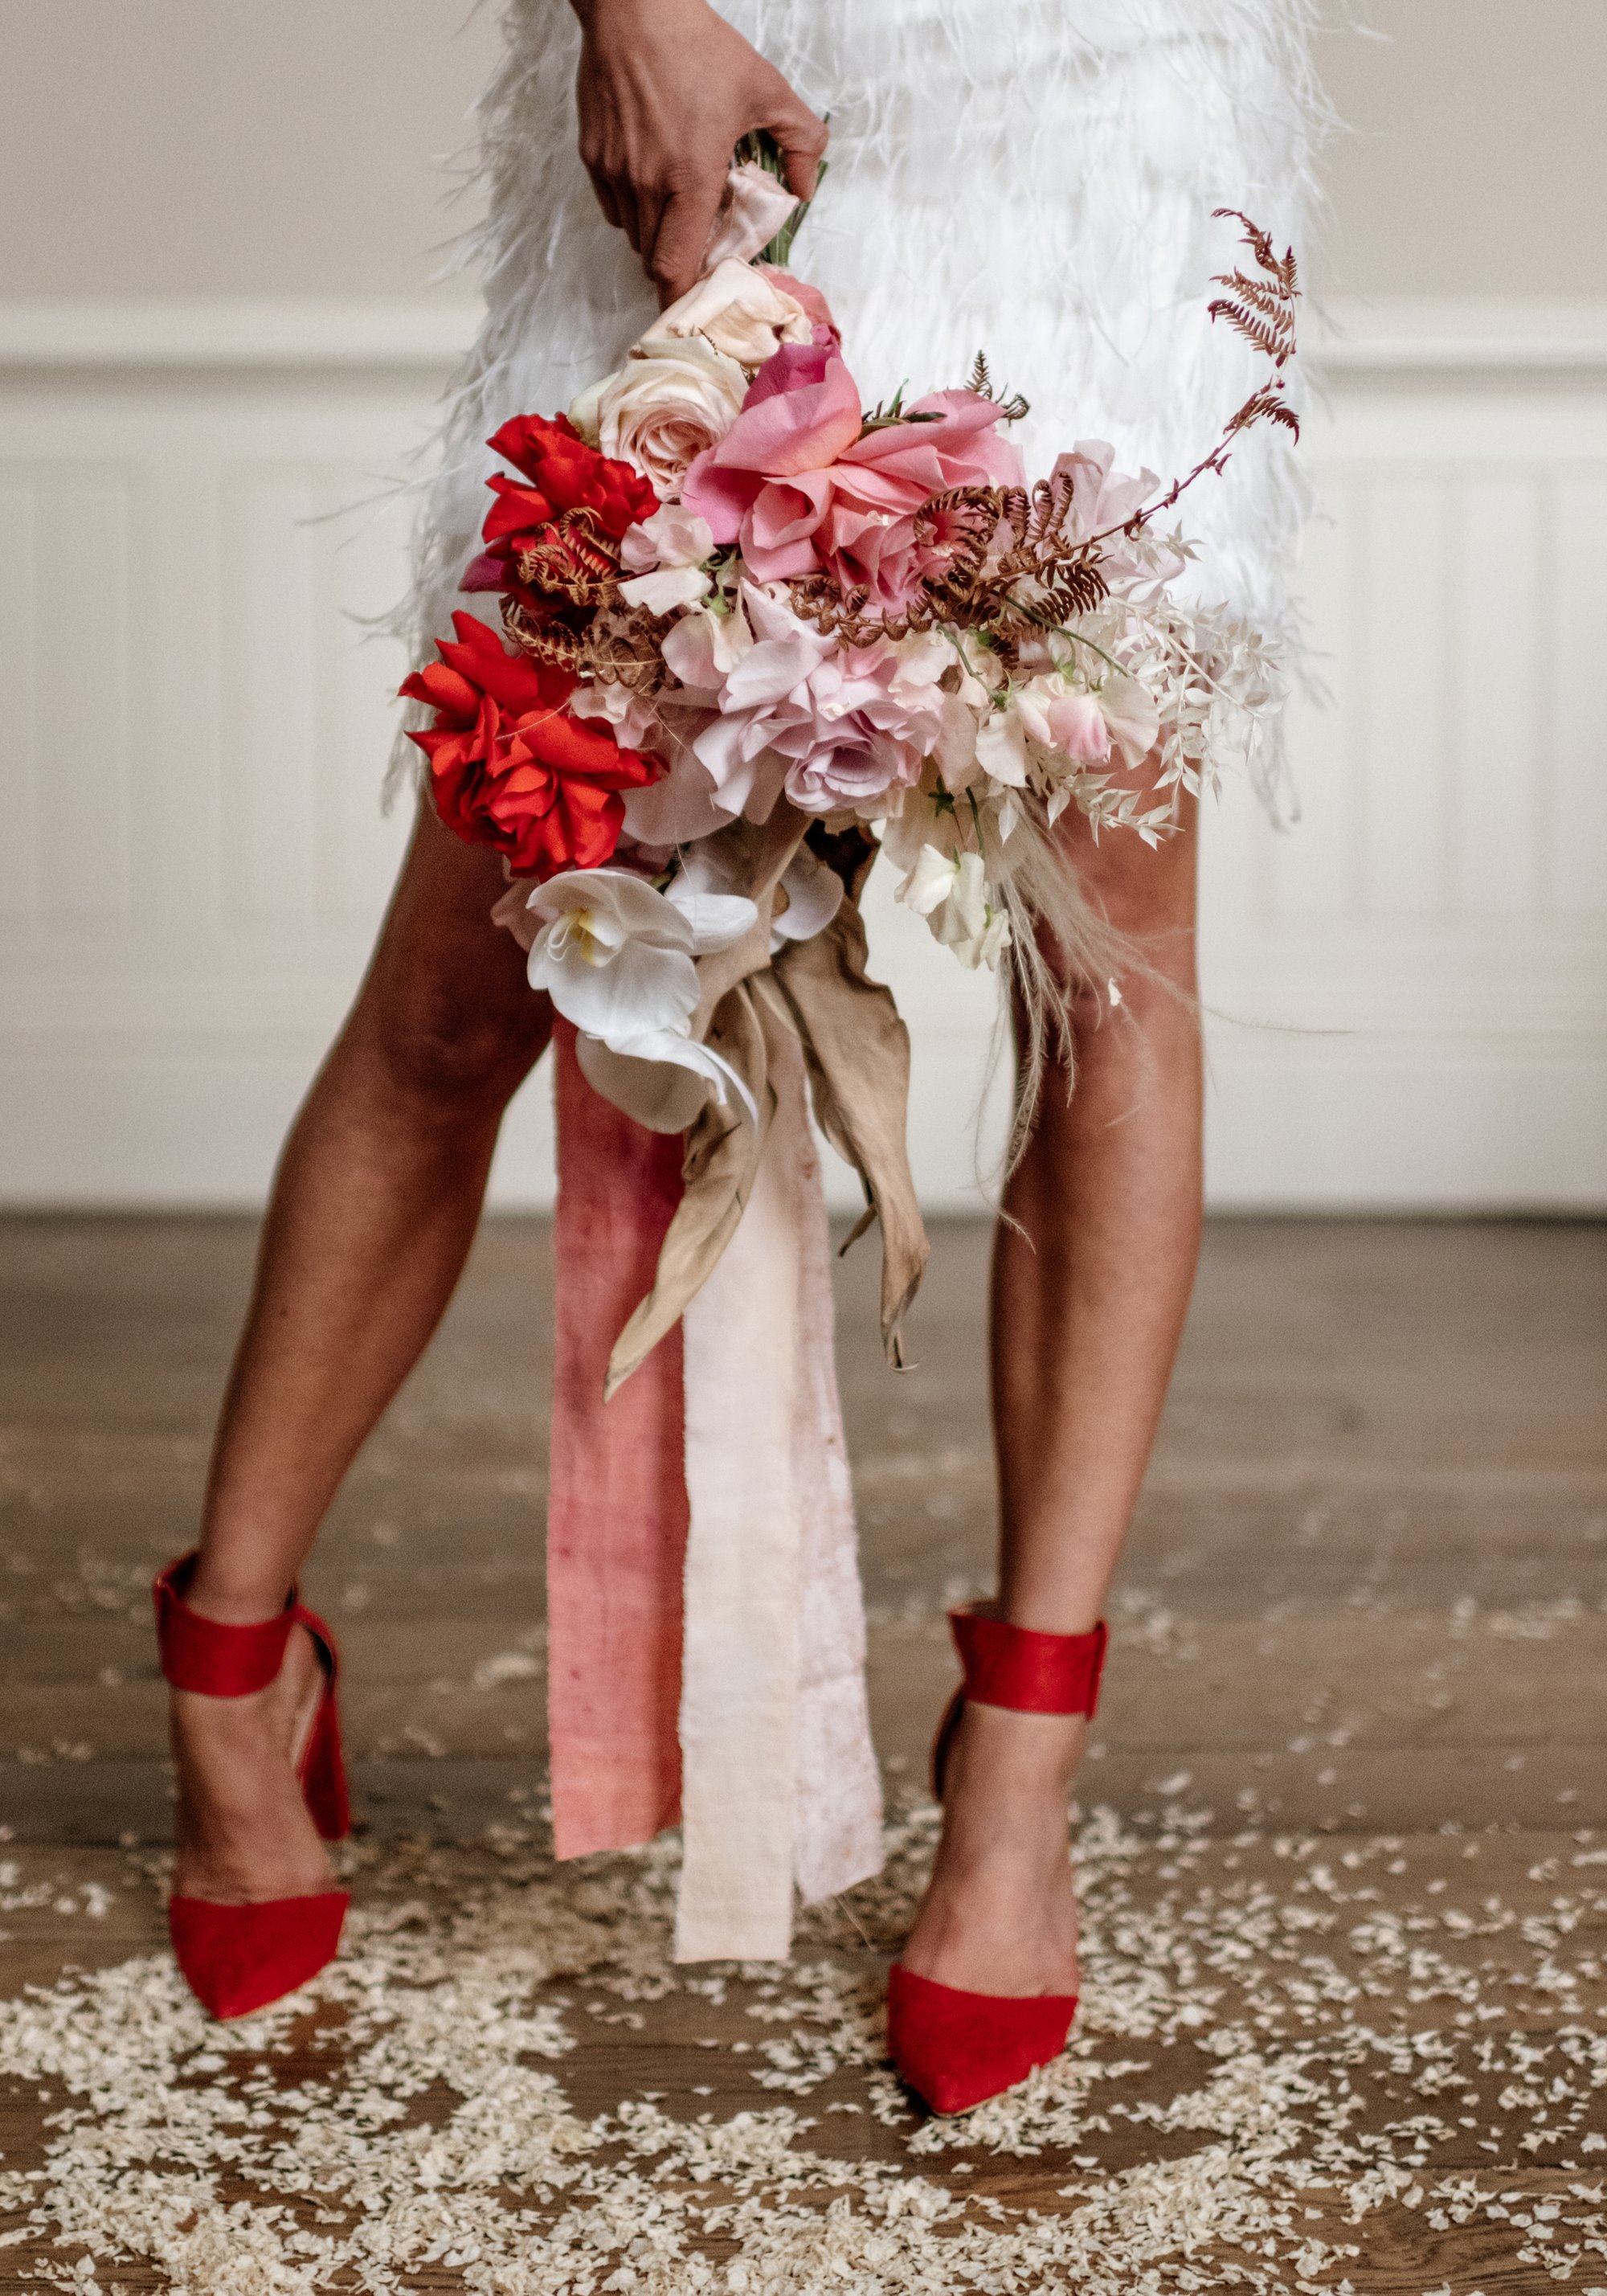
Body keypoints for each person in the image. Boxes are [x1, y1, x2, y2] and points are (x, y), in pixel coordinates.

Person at [153, 0, 1318, 2103]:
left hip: (1111, 104)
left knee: (1109, 976)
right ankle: (230, 1664)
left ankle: (1021, 1775)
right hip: (729, 59)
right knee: (469, 966)